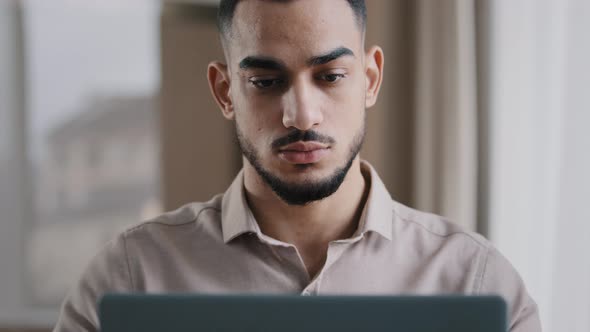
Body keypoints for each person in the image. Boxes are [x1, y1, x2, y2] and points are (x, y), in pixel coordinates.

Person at [54, 0, 541, 331]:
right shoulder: (131, 275)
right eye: (266, 81)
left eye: (330, 76)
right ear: (225, 91)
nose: (301, 115)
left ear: (370, 80)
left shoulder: (474, 281)